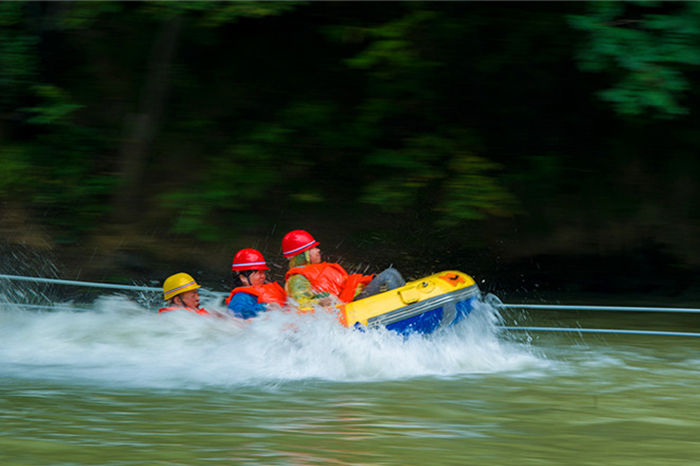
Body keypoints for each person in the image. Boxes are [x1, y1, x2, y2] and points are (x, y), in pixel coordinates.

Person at [282, 230, 405, 308]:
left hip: (352, 301)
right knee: (389, 275)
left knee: (390, 275)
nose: (318, 250)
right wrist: (320, 301)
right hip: (348, 308)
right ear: (303, 254)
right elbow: (299, 304)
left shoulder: (317, 269)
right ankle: (404, 310)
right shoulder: (297, 278)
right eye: (313, 248)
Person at [225, 248, 287, 319]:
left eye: (263, 272)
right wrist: (263, 307)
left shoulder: (264, 291)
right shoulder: (241, 296)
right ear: (243, 278)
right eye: (259, 273)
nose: (263, 276)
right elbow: (236, 313)